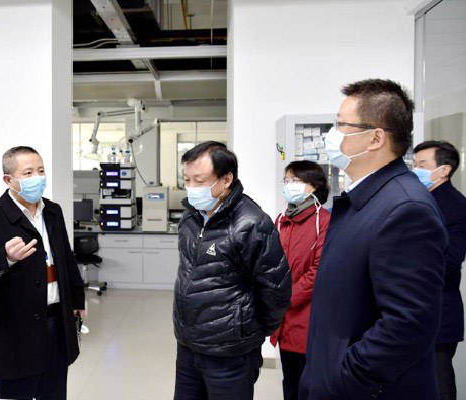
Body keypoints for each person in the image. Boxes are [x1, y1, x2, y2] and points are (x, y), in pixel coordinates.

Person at [298, 79, 448, 400]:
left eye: (341, 125)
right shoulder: (365, 199)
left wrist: (344, 377)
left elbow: (409, 324)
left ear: (376, 138)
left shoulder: (405, 209)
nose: (332, 135)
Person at [173, 141, 291, 400]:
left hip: (230, 352)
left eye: (199, 181)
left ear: (226, 179)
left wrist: (247, 331)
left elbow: (276, 291)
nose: (191, 188)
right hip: (188, 344)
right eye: (187, 180)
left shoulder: (251, 224)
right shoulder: (191, 217)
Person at [0, 146, 86, 400]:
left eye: (41, 171)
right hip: (16, 330)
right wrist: (6, 257)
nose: (38, 178)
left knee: (54, 392)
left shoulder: (53, 212)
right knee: (15, 392)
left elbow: (66, 258)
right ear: (9, 180)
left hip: (55, 322)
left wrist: (77, 300)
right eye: (28, 173)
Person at [270, 161, 331, 400]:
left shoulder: (324, 221)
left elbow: (319, 271)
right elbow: (270, 263)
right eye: (286, 181)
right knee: (290, 382)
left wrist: (286, 298)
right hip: (283, 319)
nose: (288, 186)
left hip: (308, 317)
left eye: (294, 181)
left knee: (309, 385)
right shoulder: (281, 220)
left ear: (314, 186)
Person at [413, 140, 466, 400]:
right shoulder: (420, 200)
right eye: (414, 164)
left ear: (444, 170)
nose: (415, 170)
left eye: (422, 165)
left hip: (439, 311)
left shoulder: (455, 206)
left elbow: (451, 261)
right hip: (413, 310)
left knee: (438, 383)